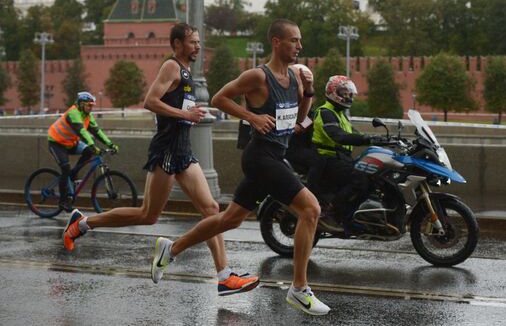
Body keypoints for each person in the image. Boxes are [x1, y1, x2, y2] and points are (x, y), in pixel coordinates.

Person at [62, 22, 259, 296]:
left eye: (199, 42)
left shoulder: (186, 72)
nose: (198, 46)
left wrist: (191, 111)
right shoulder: (171, 66)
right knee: (148, 215)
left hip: (183, 151)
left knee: (211, 209)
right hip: (167, 150)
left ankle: (224, 276)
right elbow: (150, 101)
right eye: (192, 42)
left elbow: (174, 104)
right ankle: (82, 223)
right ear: (177, 44)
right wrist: (185, 115)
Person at [149, 19, 330, 316]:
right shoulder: (258, 76)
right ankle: (299, 289)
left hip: (275, 154)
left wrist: (308, 92)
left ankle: (171, 249)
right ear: (276, 42)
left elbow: (298, 120)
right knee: (311, 210)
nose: (300, 46)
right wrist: (251, 117)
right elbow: (220, 98)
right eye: (294, 41)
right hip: (260, 157)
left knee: (229, 219)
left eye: (300, 41)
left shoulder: (296, 78)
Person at [311, 75, 386, 230]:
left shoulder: (340, 114)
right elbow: (339, 136)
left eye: (349, 93)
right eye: (344, 93)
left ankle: (358, 214)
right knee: (359, 179)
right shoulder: (326, 112)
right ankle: (331, 212)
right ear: (333, 92)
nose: (348, 96)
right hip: (327, 159)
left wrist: (381, 138)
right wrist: (367, 139)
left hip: (342, 158)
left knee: (373, 175)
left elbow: (353, 133)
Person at [48, 91, 118, 211]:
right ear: (81, 104)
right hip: (56, 143)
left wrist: (110, 143)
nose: (91, 108)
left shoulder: (87, 116)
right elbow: (82, 131)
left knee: (88, 152)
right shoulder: (73, 113)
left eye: (92, 106)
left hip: (71, 143)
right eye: (89, 105)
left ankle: (73, 173)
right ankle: (63, 201)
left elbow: (97, 131)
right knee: (65, 168)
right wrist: (92, 145)